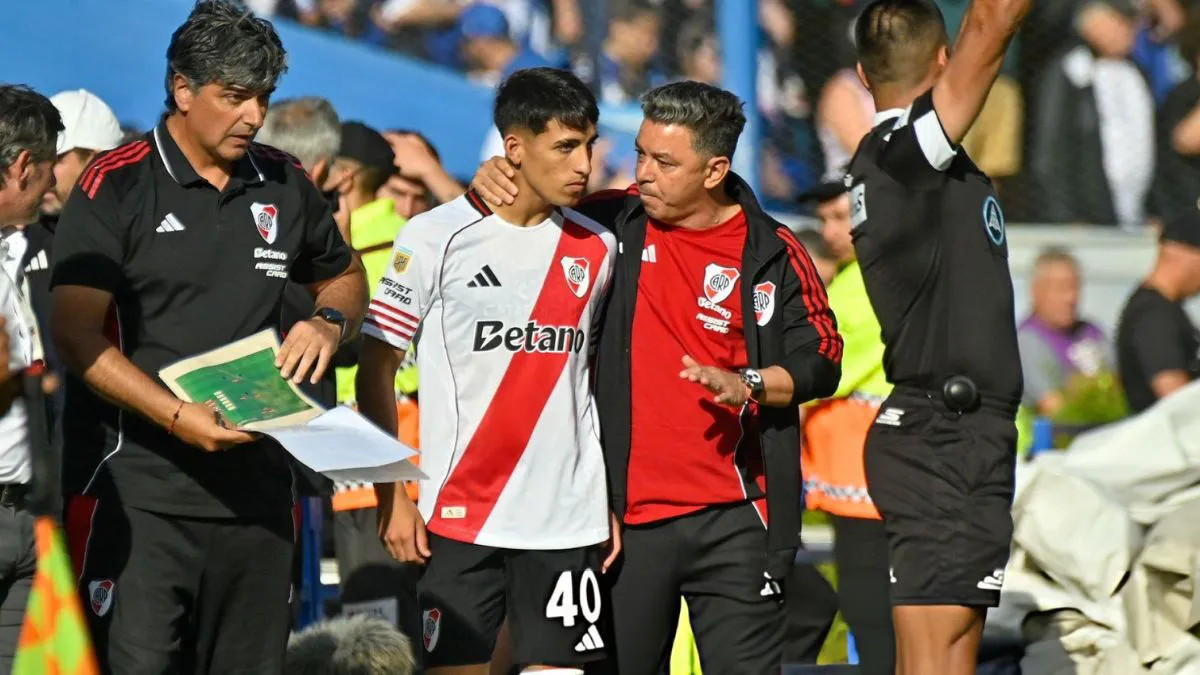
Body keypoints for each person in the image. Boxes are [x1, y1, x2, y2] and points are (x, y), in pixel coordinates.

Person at [472, 80, 843, 675]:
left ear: (715, 170)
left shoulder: (771, 249)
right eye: (641, 153)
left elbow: (821, 356)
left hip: (736, 518)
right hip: (624, 523)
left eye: (665, 162)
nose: (643, 173)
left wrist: (747, 382)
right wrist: (499, 179)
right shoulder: (608, 220)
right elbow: (517, 216)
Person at [50, 2, 367, 672]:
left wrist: (328, 321)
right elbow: (76, 336)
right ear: (183, 89)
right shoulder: (116, 183)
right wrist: (174, 414)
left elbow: (344, 274)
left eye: (263, 97)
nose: (253, 115)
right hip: (141, 497)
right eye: (235, 96)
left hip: (259, 498)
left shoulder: (284, 179)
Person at [358, 67, 617, 674]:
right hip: (459, 514)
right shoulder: (433, 237)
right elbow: (376, 370)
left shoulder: (599, 247)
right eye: (565, 147)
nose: (584, 165)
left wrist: (606, 499)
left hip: (565, 521)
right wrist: (391, 495)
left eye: (588, 145)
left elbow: (592, 384)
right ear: (514, 148)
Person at [845, 0, 1030, 672]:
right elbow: (992, 22)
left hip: (955, 435)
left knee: (945, 656)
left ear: (862, 74)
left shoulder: (908, 162)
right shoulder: (907, 154)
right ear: (945, 61)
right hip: (943, 435)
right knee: (935, 658)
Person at [794, 178, 896, 675]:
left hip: (865, 471)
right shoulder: (861, 279)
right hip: (856, 471)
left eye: (841, 218)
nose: (831, 232)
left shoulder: (866, 287)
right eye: (825, 220)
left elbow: (817, 373)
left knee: (866, 592)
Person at [0, 83, 61, 669]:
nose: (53, 182)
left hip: (28, 514)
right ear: (21, 166)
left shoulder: (17, 249)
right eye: (47, 168)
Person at [28, 90, 125, 421]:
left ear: (96, 160)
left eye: (56, 158)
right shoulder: (20, 238)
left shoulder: (139, 237)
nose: (41, 172)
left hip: (118, 430)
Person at [1115, 213, 1200, 413]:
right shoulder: (1153, 315)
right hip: (1165, 432)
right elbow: (1175, 395)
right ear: (1179, 251)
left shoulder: (1166, 309)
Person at [1017, 247, 1110, 419]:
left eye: (1075, 287)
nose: (1070, 298)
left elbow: (1119, 388)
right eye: (1061, 288)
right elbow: (1053, 407)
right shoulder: (1027, 342)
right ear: (1035, 291)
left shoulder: (1092, 332)